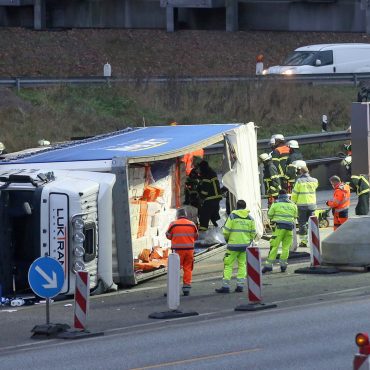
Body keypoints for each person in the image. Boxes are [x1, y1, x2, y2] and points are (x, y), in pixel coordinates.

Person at [215, 200, 256, 293]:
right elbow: (253, 233)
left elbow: (226, 231)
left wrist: (227, 239)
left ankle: (226, 286)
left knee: (228, 264)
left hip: (233, 245)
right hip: (244, 246)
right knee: (242, 264)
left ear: (236, 206)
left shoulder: (232, 216)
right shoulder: (250, 218)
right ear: (245, 207)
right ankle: (240, 286)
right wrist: (248, 241)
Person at [262, 189, 298, 274]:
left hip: (279, 228)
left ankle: (268, 266)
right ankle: (283, 266)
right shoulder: (293, 205)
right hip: (289, 228)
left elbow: (269, 215)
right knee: (286, 248)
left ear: (279, 195)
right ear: (287, 196)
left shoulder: (275, 204)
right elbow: (295, 216)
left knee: (274, 246)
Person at [165, 208, 198, 296]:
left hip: (177, 251)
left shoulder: (173, 224)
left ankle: (173, 290)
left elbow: (168, 235)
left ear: (177, 215)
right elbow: (196, 236)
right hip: (189, 251)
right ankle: (186, 288)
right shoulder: (192, 224)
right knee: (188, 268)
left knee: (175, 269)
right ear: (186, 215)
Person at [291, 166, 318, 247]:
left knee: (302, 223)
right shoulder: (314, 180)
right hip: (312, 205)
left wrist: (293, 203)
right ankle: (314, 240)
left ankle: (304, 241)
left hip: (302, 205)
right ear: (308, 171)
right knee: (312, 223)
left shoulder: (299, 181)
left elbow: (295, 193)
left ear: (301, 172)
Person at [197, 160, 223, 232]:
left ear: (202, 168)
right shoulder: (212, 173)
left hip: (209, 200)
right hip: (215, 200)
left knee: (204, 217)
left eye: (198, 168)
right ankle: (223, 231)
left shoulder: (206, 175)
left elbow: (205, 190)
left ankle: (202, 234)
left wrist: (200, 197)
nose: (198, 170)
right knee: (215, 217)